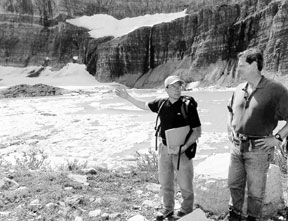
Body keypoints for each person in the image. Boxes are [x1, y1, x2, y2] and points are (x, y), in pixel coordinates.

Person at [115, 75, 202, 220]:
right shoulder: (161, 103)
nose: (177, 89)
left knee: (185, 183)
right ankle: (167, 209)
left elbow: (197, 131)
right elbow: (144, 105)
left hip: (183, 150)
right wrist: (128, 97)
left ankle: (186, 210)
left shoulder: (188, 106)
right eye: (173, 86)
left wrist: (184, 147)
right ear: (166, 89)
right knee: (165, 181)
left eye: (179, 86)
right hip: (165, 148)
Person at [226, 48, 288, 221]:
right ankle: (234, 216)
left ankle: (253, 218)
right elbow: (230, 110)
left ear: (254, 65)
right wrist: (230, 128)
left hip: (259, 150)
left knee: (255, 191)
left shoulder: (275, 89)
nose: (238, 68)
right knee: (234, 185)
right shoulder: (239, 89)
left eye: (242, 65)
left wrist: (277, 138)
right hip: (236, 147)